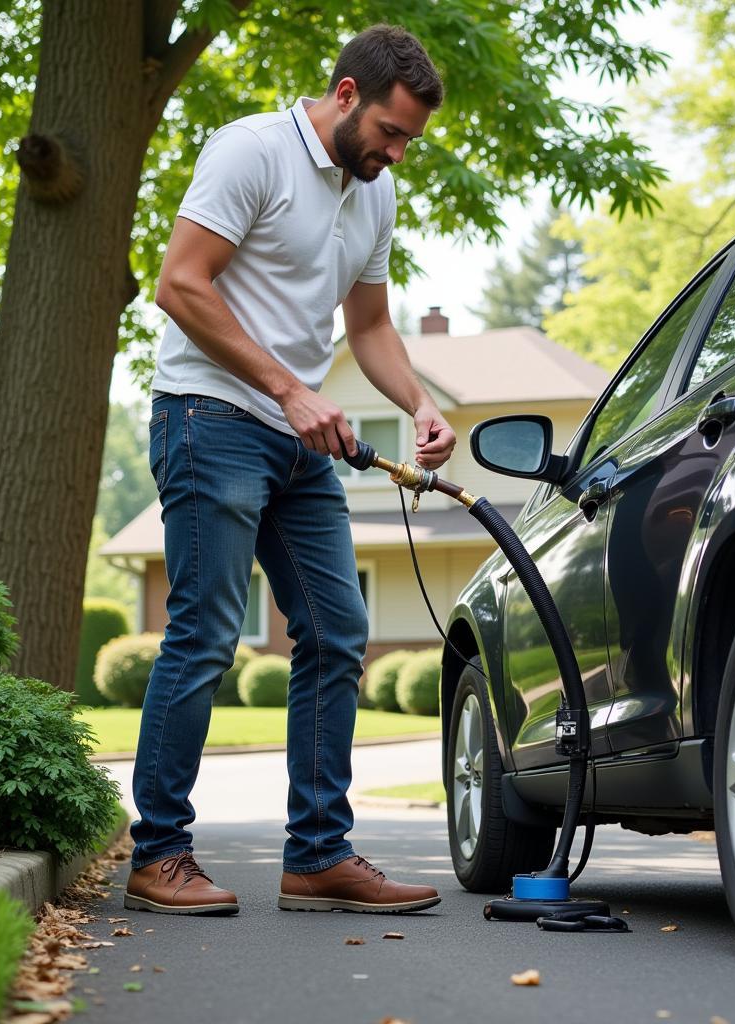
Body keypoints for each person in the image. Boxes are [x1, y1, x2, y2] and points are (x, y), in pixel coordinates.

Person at [124, 24, 454, 917]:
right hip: (210, 415)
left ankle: (317, 855)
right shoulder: (252, 152)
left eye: (409, 141)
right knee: (205, 632)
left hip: (298, 439)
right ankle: (158, 854)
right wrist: (286, 389)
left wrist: (420, 402)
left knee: (338, 631)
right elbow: (181, 284)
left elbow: (372, 327)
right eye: (389, 132)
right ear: (346, 94)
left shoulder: (372, 193)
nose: (395, 153)